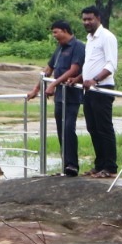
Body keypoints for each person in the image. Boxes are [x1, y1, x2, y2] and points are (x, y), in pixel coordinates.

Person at [27, 21, 86, 175]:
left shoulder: (78, 46)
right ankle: (66, 165)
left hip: (71, 95)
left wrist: (54, 84)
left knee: (68, 128)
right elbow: (48, 69)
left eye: (56, 32)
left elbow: (74, 69)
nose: (54, 36)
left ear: (66, 31)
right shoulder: (60, 48)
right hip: (60, 96)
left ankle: (72, 165)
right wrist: (36, 88)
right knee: (60, 129)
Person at [80, 4, 119, 178]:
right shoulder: (90, 38)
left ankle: (110, 167)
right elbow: (90, 63)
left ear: (98, 19)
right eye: (84, 19)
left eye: (90, 19)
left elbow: (111, 65)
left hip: (102, 89)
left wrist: (95, 79)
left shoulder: (107, 37)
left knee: (104, 128)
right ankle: (99, 164)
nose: (86, 22)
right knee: (92, 127)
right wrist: (79, 79)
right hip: (89, 90)